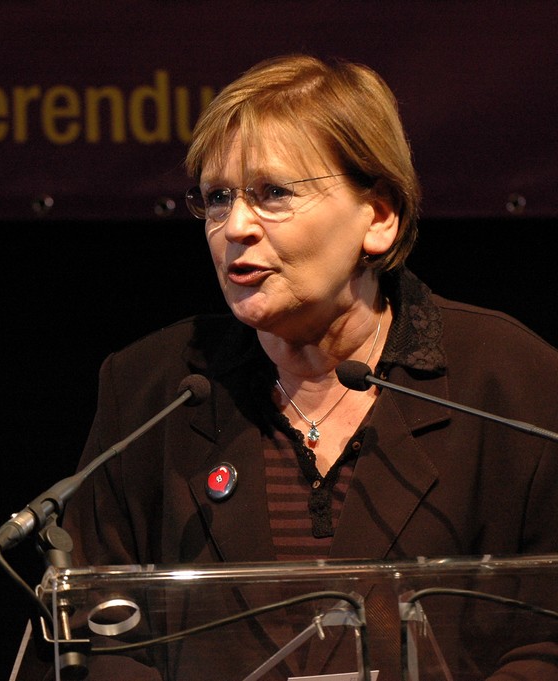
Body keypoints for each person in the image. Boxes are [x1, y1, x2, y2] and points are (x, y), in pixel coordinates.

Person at [43, 55, 558, 680]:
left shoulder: (510, 381)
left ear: (379, 215)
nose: (234, 227)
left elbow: (545, 644)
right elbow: (103, 643)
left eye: (273, 194)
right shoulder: (152, 390)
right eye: (216, 198)